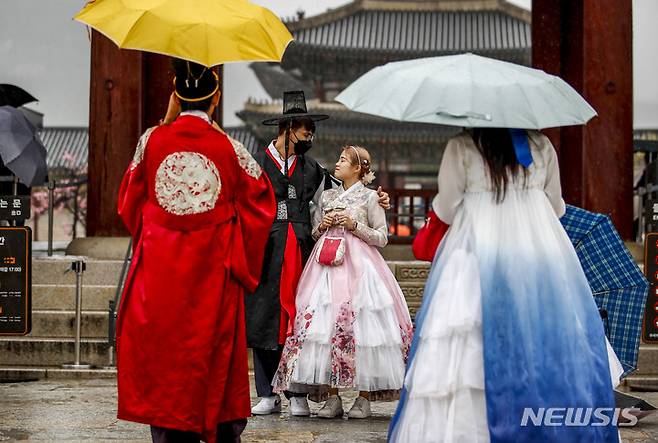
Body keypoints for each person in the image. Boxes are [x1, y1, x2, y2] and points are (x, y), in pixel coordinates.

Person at [389, 129, 624, 442]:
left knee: (468, 336)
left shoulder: (462, 145)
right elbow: (557, 207)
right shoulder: (541, 145)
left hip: (476, 250)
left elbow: (445, 207)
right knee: (546, 334)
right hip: (539, 253)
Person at [116, 59, 276, 443]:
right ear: (215, 98)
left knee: (164, 354)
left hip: (159, 271)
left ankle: (168, 431)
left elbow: (128, 203)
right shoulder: (231, 149)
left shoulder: (151, 140)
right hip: (212, 275)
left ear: (176, 95)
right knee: (211, 353)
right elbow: (262, 205)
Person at [247, 91, 391, 417]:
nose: (310, 136)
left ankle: (298, 392)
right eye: (305, 130)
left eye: (312, 130)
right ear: (288, 128)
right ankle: (267, 392)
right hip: (266, 243)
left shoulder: (313, 168)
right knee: (264, 313)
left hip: (302, 246)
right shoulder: (256, 162)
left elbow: (345, 191)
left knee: (301, 317)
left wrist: (377, 200)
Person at [272, 145, 413, 419]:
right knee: (324, 327)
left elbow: (382, 237)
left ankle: (363, 398)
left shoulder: (371, 198)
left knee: (365, 328)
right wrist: (322, 225)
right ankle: (332, 396)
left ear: (358, 168)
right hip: (325, 265)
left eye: (343, 160)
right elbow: (314, 232)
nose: (337, 164)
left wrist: (354, 225)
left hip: (360, 266)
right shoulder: (326, 196)